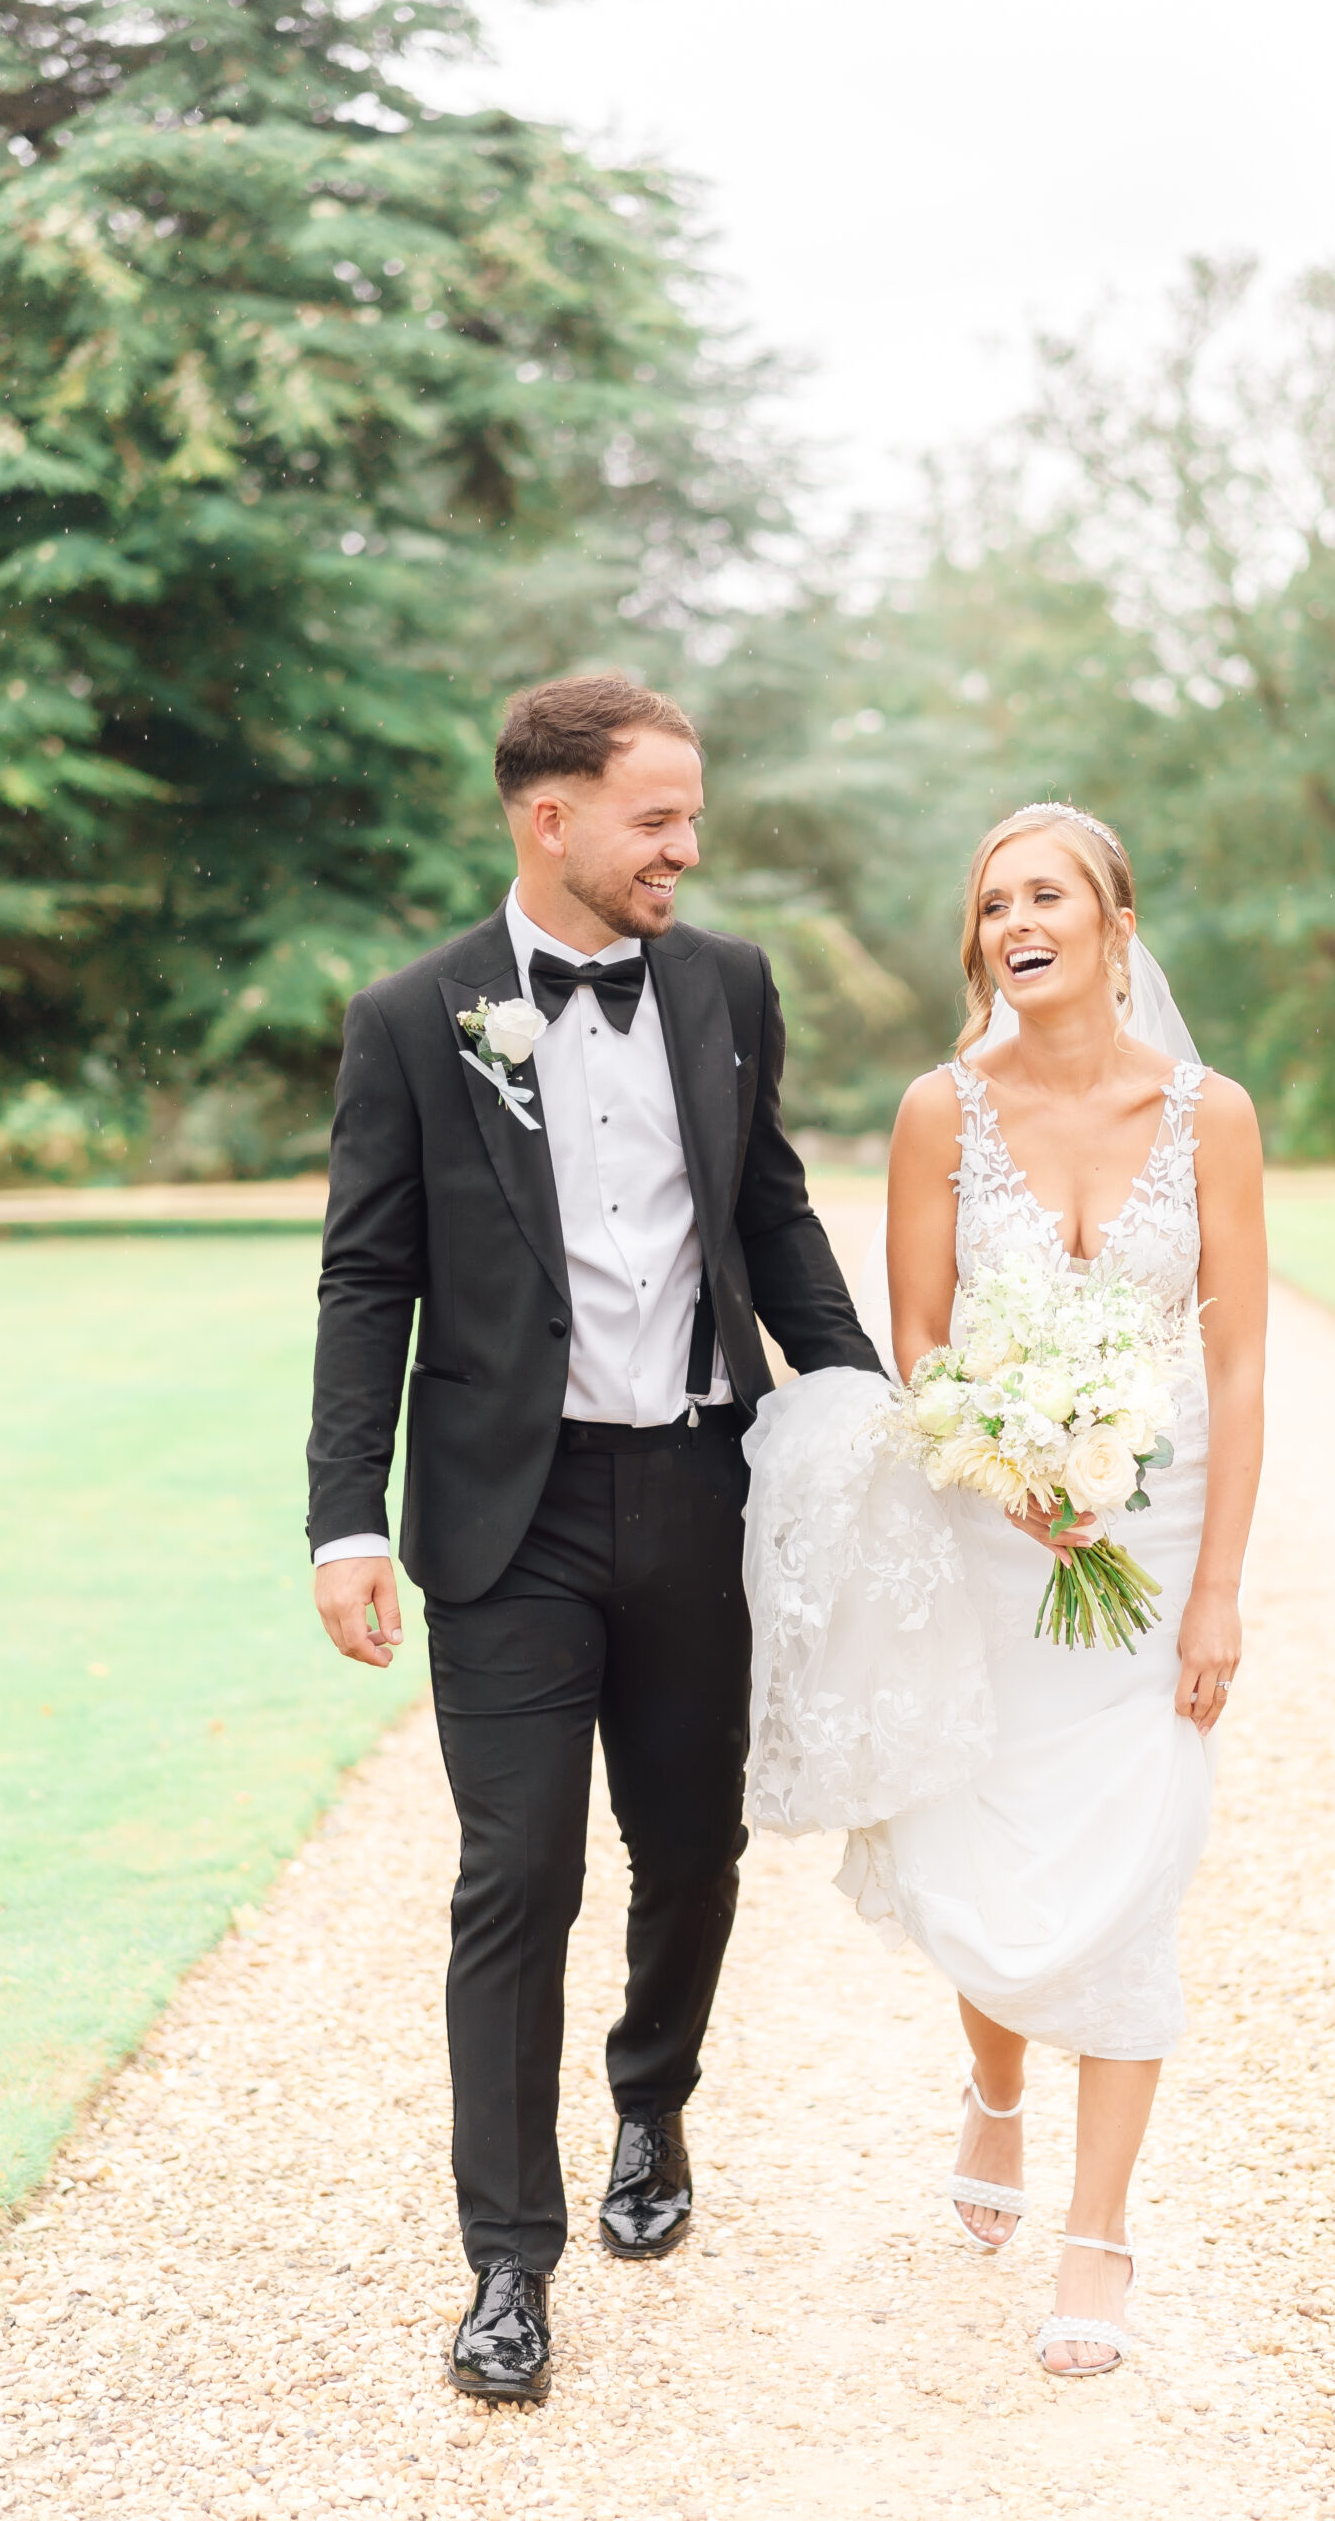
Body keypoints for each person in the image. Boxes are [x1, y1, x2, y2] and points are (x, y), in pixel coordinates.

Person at [305, 673, 882, 2403]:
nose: (686, 850)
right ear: (548, 818)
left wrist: (862, 1401)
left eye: (692, 816)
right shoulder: (415, 1019)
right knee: (519, 1873)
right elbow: (366, 1278)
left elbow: (766, 1209)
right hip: (510, 1514)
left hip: (700, 1483)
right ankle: (507, 2264)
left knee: (692, 1852)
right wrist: (343, 1513)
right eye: (657, 817)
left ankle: (653, 2106)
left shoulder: (726, 989)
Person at [744, 803, 1266, 2375]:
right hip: (989, 1530)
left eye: (1044, 896)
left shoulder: (1210, 1115)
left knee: (1132, 1861)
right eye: (990, 906)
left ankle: (1099, 2241)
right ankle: (993, 2087)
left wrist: (1219, 1586)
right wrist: (1008, 1456)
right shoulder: (936, 1112)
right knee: (978, 1846)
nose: (1012, 924)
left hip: (1155, 1532)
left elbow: (1235, 1368)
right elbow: (922, 1342)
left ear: (1113, 920)